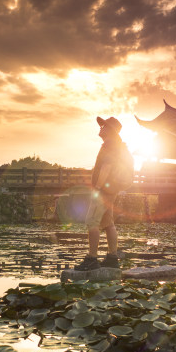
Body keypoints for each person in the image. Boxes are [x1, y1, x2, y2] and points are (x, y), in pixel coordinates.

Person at [75, 116, 132, 271]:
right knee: (108, 223)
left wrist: (98, 188)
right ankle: (112, 258)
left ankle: (92, 259)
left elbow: (106, 166)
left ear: (110, 130)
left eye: (104, 126)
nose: (100, 128)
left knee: (91, 221)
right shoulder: (117, 145)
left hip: (104, 190)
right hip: (111, 190)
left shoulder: (110, 144)